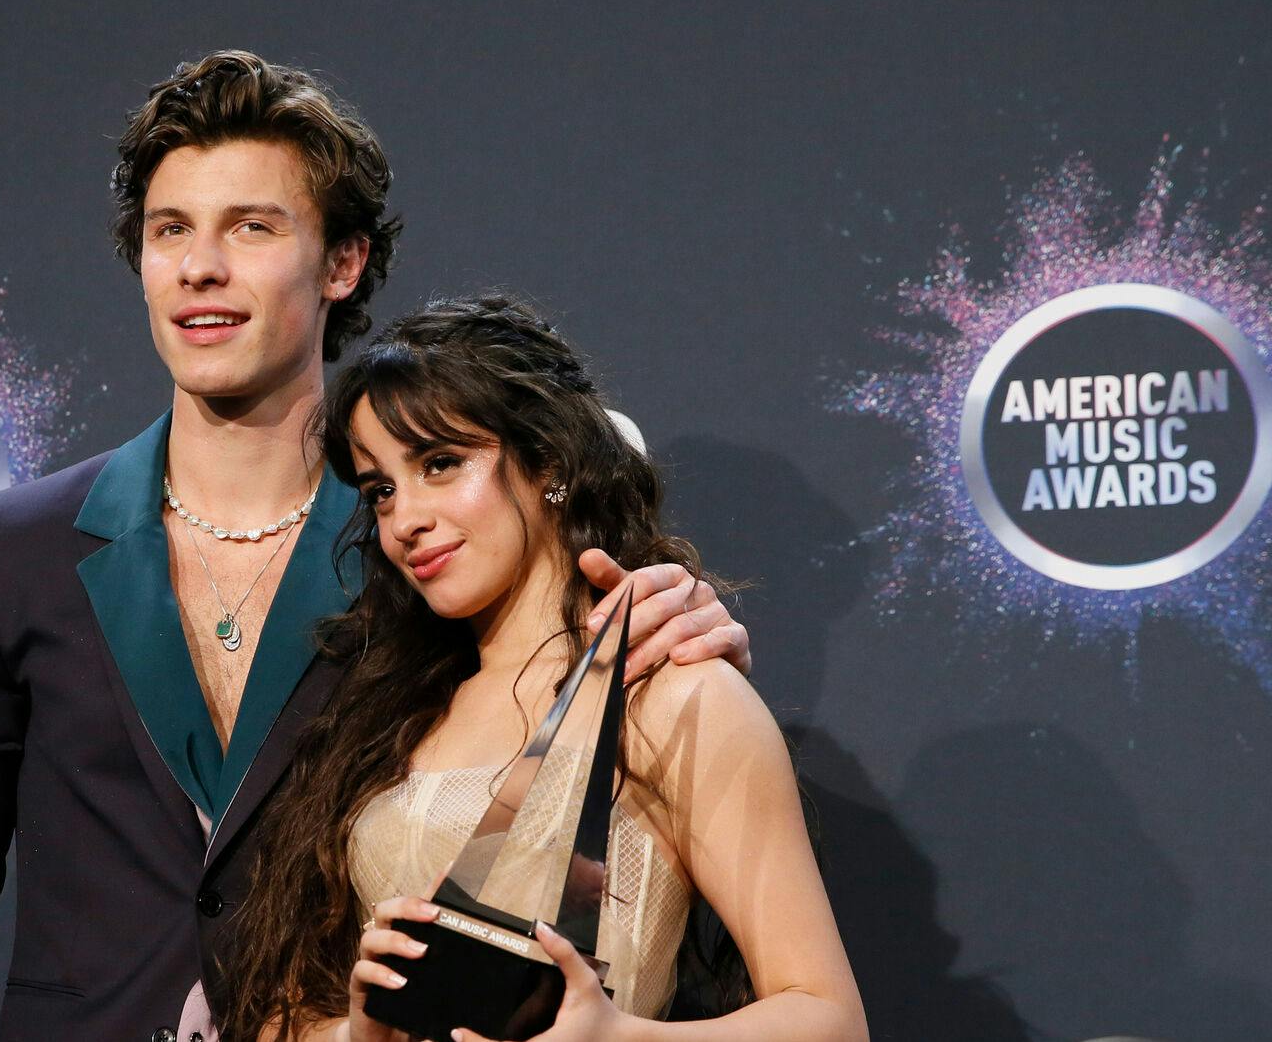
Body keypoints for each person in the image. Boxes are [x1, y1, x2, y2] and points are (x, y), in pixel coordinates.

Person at [0, 52, 752, 1042]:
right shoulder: (15, 549)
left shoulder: (423, 545)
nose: (202, 266)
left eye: (251, 227)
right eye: (171, 231)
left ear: (342, 262)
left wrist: (665, 646)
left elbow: (568, 720)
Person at [219, 296, 864, 1042]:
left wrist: (616, 1037)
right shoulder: (375, 713)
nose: (404, 519)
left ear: (549, 462)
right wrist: (358, 1034)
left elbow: (830, 1018)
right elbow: (282, 1015)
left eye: (440, 462)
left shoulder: (672, 691)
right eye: (381, 490)